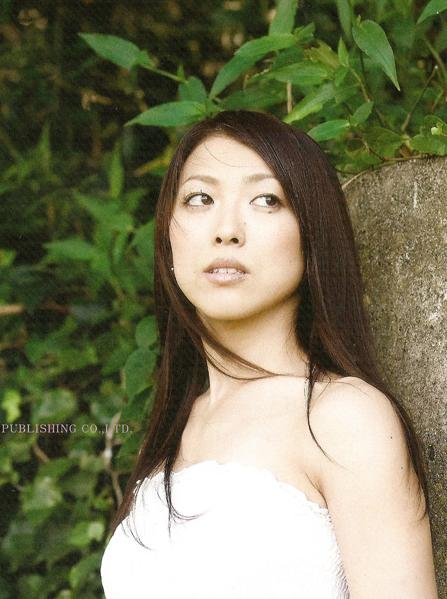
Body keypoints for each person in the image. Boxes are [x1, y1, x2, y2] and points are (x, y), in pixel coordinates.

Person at [100, 109, 438, 598]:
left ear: (311, 234)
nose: (226, 230)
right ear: (168, 235)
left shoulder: (341, 416)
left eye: (266, 200)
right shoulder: (180, 422)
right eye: (199, 198)